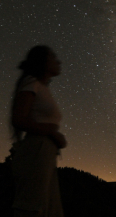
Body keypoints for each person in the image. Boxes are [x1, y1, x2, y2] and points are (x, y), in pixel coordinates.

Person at [11, 45, 67, 217]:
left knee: (48, 208)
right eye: (53, 57)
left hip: (45, 152)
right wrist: (52, 133)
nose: (58, 61)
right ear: (42, 61)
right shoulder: (31, 83)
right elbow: (19, 119)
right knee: (32, 205)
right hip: (37, 150)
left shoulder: (42, 88)